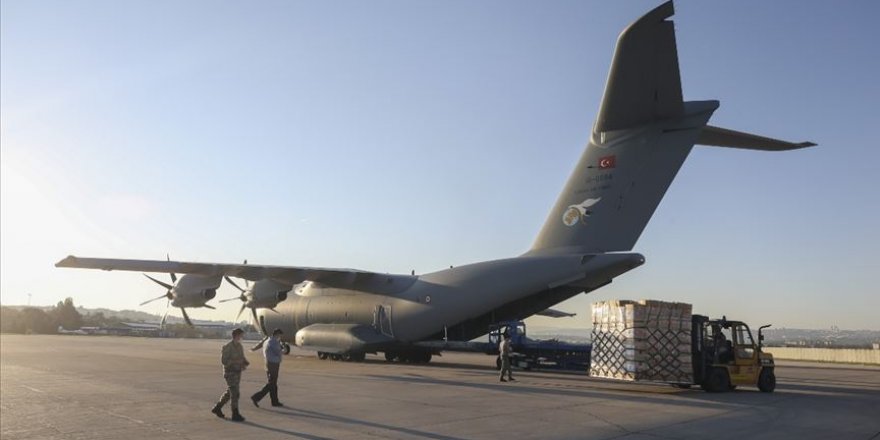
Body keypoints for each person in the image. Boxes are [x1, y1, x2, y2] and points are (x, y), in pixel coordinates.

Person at [212, 328, 250, 422]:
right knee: (235, 393)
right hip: (230, 373)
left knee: (230, 393)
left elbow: (242, 357)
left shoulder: (239, 346)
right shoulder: (227, 347)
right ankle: (235, 413)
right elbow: (224, 361)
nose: (242, 337)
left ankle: (217, 408)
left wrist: (244, 363)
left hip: (237, 372)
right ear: (236, 335)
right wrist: (234, 361)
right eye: (241, 335)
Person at [251, 328, 285, 408]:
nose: (280, 337)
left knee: (273, 384)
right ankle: (256, 397)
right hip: (273, 364)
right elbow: (279, 352)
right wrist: (282, 350)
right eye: (280, 335)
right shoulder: (274, 342)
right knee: (272, 383)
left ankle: (274, 401)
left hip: (268, 363)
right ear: (277, 334)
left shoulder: (267, 341)